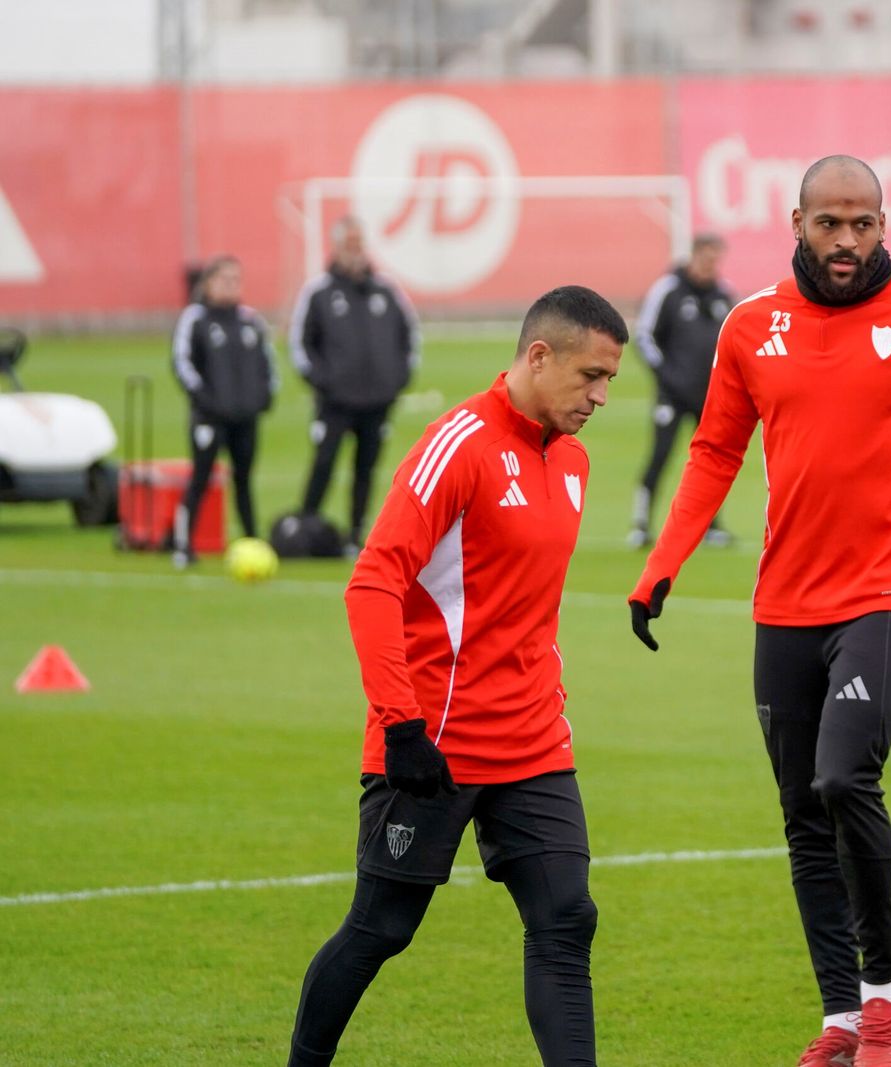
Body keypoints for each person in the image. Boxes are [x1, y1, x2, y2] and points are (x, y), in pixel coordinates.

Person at [628, 155, 891, 1067]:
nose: (844, 241)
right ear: (797, 222)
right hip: (785, 602)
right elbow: (714, 450)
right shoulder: (750, 326)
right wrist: (662, 566)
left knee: (844, 779)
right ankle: (843, 1017)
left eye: (861, 224)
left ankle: (886, 1000)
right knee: (801, 815)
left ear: (884, 223)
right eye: (828, 224)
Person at [285, 286, 628, 1067]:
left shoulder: (571, 461)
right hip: (432, 742)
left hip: (535, 739)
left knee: (566, 918)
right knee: (381, 929)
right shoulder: (459, 444)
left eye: (610, 380)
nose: (602, 396)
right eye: (591, 376)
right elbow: (373, 581)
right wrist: (400, 723)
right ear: (538, 356)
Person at [289, 216, 420, 554]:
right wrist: (324, 381)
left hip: (377, 400)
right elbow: (301, 343)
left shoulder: (386, 290)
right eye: (349, 244)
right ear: (336, 247)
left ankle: (355, 534)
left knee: (366, 469)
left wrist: (396, 380)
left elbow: (409, 336)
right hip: (335, 401)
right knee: (325, 461)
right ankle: (305, 527)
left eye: (359, 243)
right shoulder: (319, 291)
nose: (355, 250)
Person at [628, 232, 737, 549]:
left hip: (709, 397)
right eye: (706, 257)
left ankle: (711, 526)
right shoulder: (669, 290)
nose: (710, 264)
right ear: (693, 255)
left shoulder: (723, 294)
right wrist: (667, 376)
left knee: (712, 462)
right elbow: (645, 336)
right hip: (672, 395)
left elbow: (736, 339)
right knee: (660, 456)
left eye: (716, 258)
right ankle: (641, 524)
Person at [170, 254, 276, 568]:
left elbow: (267, 365)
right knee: (200, 478)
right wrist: (205, 400)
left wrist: (262, 399)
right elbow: (182, 363)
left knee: (243, 480)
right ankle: (182, 543)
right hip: (209, 417)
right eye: (224, 279)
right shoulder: (196, 319)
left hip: (245, 417)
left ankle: (252, 541)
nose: (231, 286)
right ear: (210, 283)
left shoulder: (250, 321)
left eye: (236, 280)